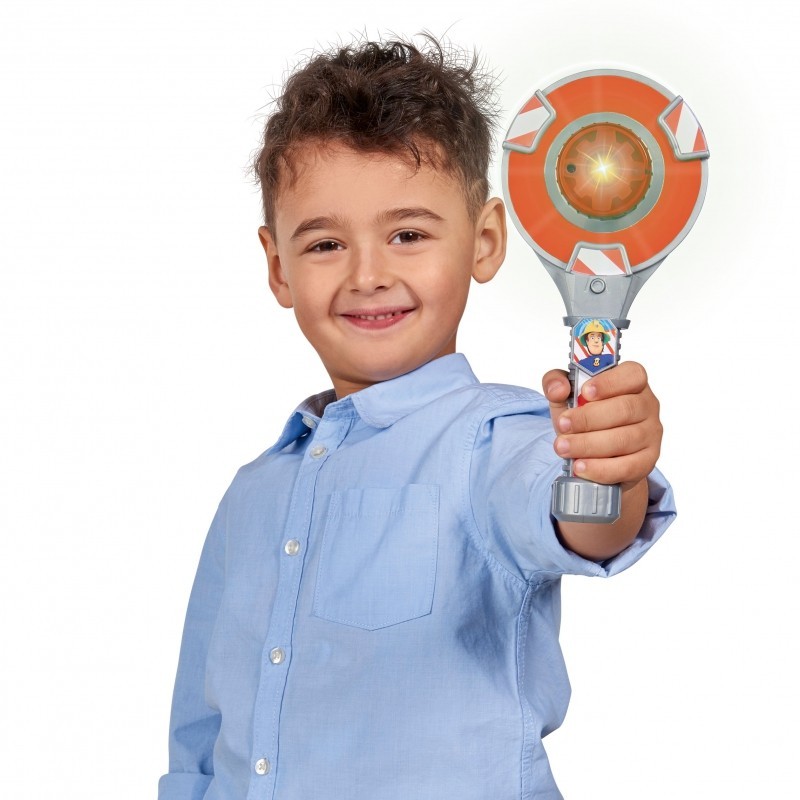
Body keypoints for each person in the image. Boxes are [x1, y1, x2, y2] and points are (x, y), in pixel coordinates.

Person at [158, 34, 673, 800]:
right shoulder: (249, 496)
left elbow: (582, 522)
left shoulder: (497, 444)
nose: (369, 274)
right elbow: (201, 730)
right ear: (277, 267)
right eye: (325, 243)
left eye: (408, 235)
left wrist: (609, 467)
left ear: (485, 241)